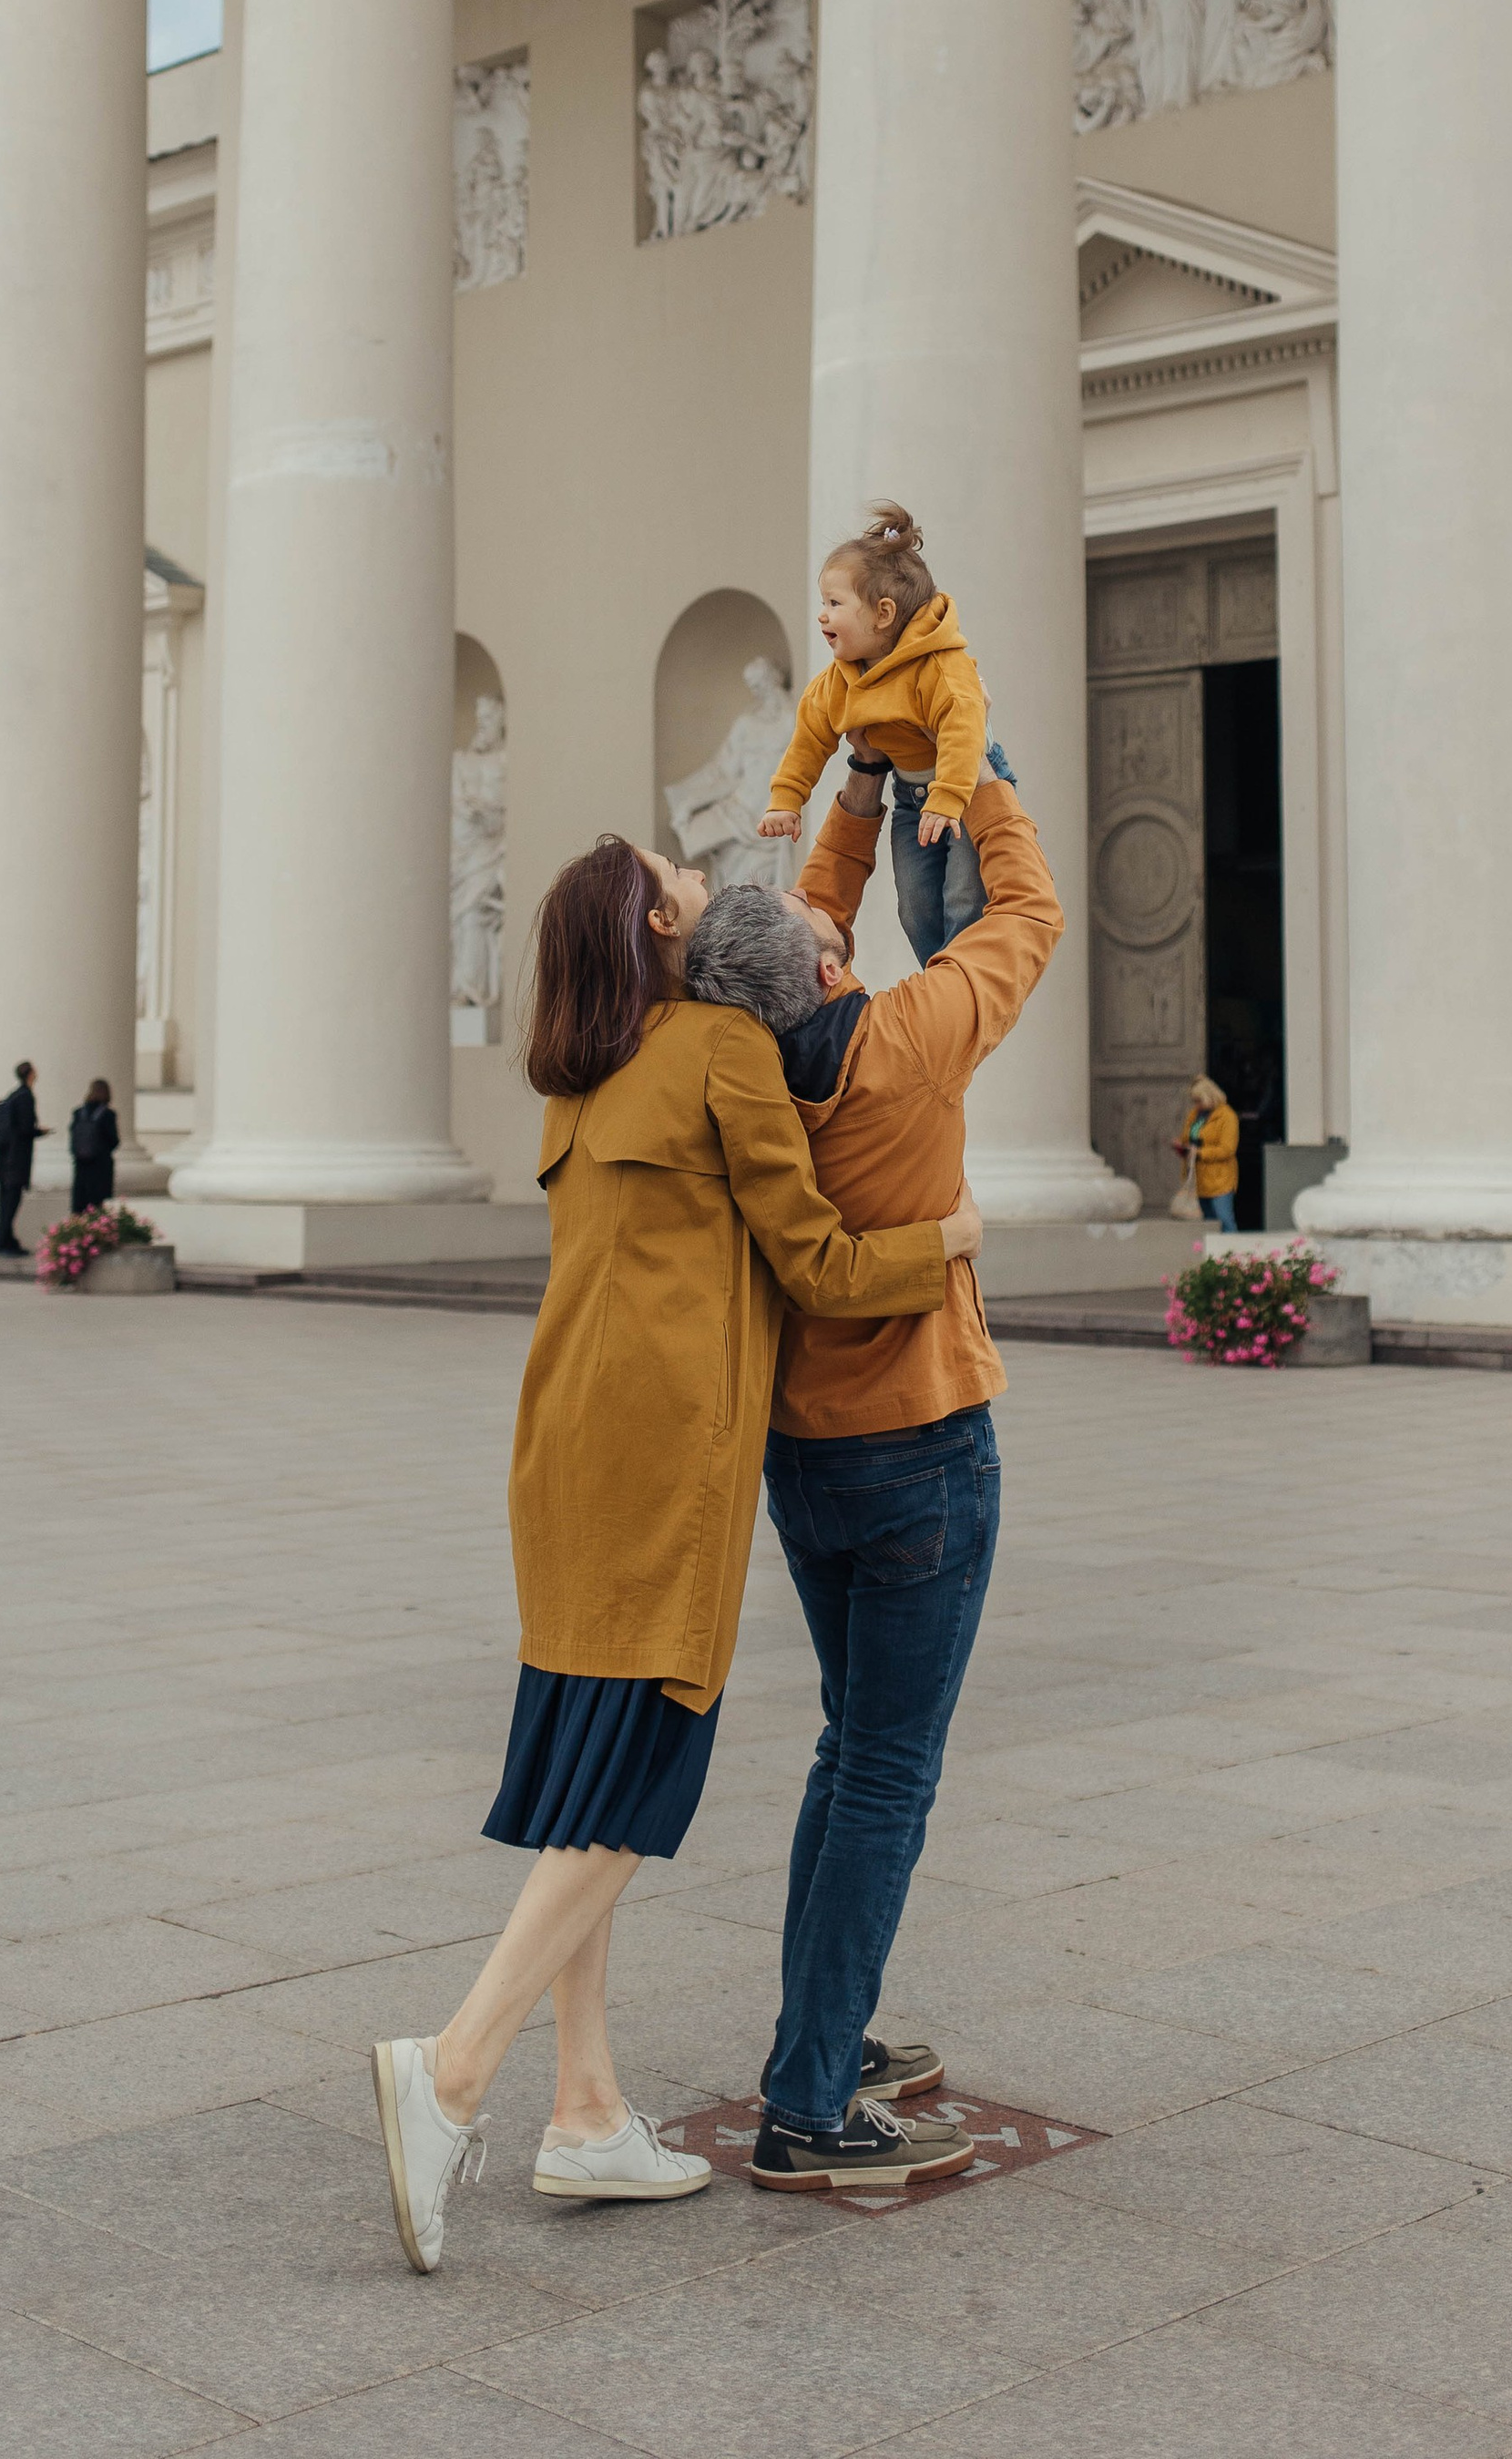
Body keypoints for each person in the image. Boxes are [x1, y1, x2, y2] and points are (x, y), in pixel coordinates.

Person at [371, 833, 982, 2273]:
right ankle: (454, 2069)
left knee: (589, 1757)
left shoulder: (572, 1081)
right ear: (658, 916)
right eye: (679, 871)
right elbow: (816, 1262)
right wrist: (946, 1238)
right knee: (639, 1783)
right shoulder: (717, 1045)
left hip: (558, 1447)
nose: (699, 876)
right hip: (662, 1454)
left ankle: (586, 2113)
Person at [686, 726, 1063, 2188]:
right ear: (835, 972)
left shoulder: (733, 1065)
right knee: (890, 1771)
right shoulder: (905, 1047)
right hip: (922, 1449)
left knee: (852, 1755)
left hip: (807, 1459)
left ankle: (823, 2036)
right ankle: (807, 2102)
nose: (835, 914)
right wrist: (982, 784)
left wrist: (852, 796)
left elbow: (786, 937)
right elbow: (1023, 919)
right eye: (828, 928)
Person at [759, 505, 1010, 964]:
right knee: (914, 907)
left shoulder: (938, 666)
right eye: (823, 603)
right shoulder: (839, 680)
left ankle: (961, 984)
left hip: (966, 789)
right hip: (913, 797)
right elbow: (809, 739)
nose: (821, 616)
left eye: (834, 604)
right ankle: (942, 984)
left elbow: (962, 725)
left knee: (963, 897)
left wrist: (950, 795)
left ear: (883, 613)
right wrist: (786, 799)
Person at [0, 1061, 43, 1257]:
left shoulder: (12, 1095)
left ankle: (7, 1241)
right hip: (16, 1160)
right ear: (30, 1074)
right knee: (11, 1202)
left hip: (4, 1159)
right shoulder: (26, 1097)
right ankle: (0, 1242)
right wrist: (39, 1131)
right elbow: (25, 1128)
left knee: (5, 1202)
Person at [1177, 1075, 1241, 1232]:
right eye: (1194, 1101)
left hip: (1220, 1179)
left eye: (1199, 1100)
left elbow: (1227, 1149)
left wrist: (1200, 1153)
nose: (1196, 1105)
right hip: (1199, 1178)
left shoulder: (1227, 1116)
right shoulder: (1195, 1115)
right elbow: (1187, 1137)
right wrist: (1182, 1146)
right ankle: (1213, 1254)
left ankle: (1232, 1253)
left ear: (1210, 1097)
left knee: (1224, 1219)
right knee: (1208, 1222)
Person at [68, 1079, 119, 1214]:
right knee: (99, 1204)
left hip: (81, 1164)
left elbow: (73, 1136)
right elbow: (114, 1141)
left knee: (81, 1203)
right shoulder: (108, 1115)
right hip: (101, 1166)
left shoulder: (78, 1113)